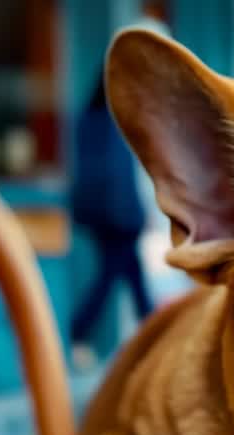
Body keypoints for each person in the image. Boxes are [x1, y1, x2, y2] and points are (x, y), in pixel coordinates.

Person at [68, 73, 152, 354]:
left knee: (131, 275)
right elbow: (120, 176)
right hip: (119, 217)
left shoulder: (85, 120)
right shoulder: (116, 122)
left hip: (99, 217)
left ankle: (153, 331)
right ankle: (76, 331)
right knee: (111, 278)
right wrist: (136, 216)